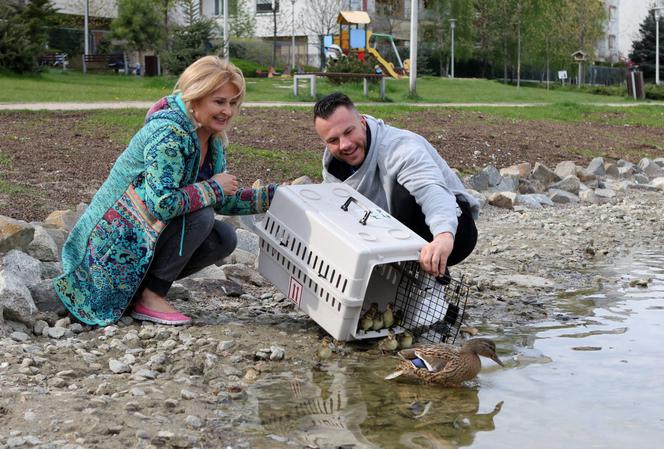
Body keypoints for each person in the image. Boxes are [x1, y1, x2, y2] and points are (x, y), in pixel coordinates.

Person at [53, 56, 277, 326]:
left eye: (232, 103)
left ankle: (138, 293)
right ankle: (150, 296)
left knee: (224, 237)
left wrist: (272, 197)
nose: (227, 111)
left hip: (141, 240)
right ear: (195, 98)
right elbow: (163, 203)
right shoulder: (169, 133)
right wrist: (213, 187)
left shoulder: (212, 140)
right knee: (202, 216)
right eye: (219, 102)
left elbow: (221, 199)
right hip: (102, 255)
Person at [313, 92, 479, 279]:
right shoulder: (333, 167)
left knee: (404, 193)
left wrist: (443, 235)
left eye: (348, 132)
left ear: (362, 122)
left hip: (454, 228)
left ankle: (429, 275)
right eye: (333, 140)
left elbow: (431, 190)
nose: (344, 145)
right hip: (390, 231)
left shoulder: (399, 148)